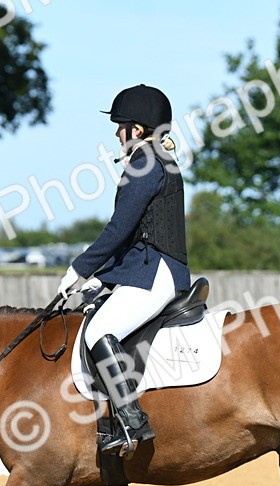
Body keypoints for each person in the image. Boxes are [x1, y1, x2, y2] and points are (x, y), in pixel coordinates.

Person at [57, 84, 190, 456]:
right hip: (147, 266)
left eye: (121, 126)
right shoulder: (155, 160)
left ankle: (133, 422)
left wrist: (79, 269)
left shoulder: (145, 161)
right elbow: (133, 237)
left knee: (100, 329)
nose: (117, 133)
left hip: (156, 270)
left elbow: (119, 228)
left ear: (139, 128)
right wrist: (102, 279)